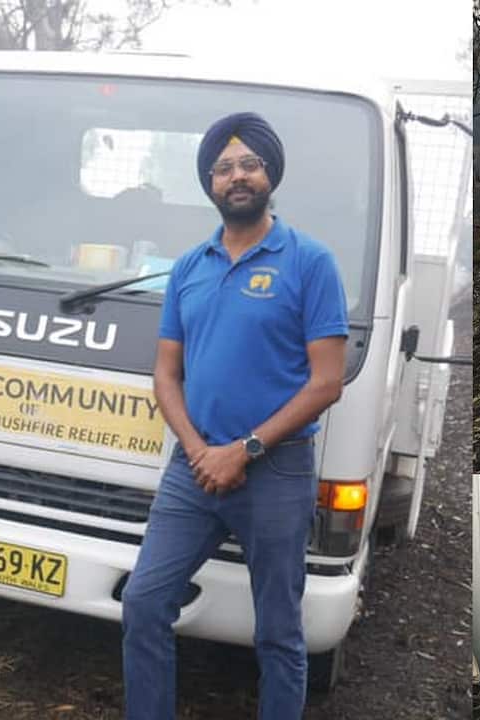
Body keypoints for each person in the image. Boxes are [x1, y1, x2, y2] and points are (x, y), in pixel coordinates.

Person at [119, 112, 349, 720]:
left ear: (270, 175)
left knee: (278, 630)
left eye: (249, 164)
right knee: (144, 601)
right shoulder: (189, 267)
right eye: (223, 168)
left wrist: (242, 450)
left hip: (276, 471)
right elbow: (166, 374)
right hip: (193, 468)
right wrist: (200, 450)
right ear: (210, 183)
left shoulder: (310, 261)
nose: (237, 176)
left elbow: (326, 382)